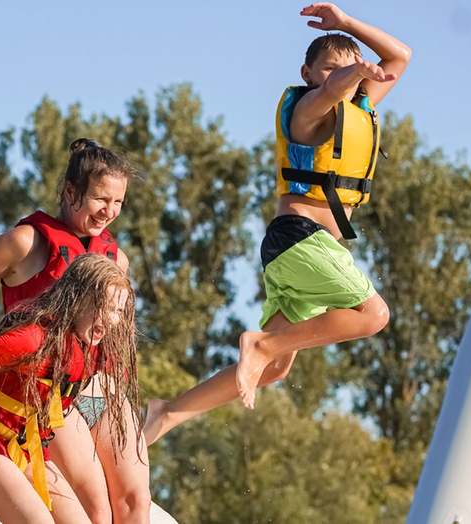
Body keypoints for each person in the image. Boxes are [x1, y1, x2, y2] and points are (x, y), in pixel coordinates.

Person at [144, 2, 411, 444]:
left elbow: (401, 56)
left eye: (345, 70)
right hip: (299, 238)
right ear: (307, 73)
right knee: (372, 315)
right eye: (326, 69)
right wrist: (356, 69)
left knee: (273, 369)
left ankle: (167, 413)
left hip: (301, 250)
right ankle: (260, 344)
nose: (337, 76)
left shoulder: (356, 106)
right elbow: (334, 89)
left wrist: (346, 24)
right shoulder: (308, 112)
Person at [0, 138, 150, 523]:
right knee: (95, 506)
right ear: (70, 191)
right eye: (99, 199)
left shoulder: (115, 259)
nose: (109, 211)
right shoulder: (26, 243)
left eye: (118, 202)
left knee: (135, 502)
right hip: (48, 391)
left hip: (98, 385)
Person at [0, 253, 141, 524]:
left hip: (24, 452)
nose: (112, 320)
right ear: (76, 297)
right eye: (104, 306)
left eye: (118, 311)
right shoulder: (31, 340)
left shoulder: (88, 352)